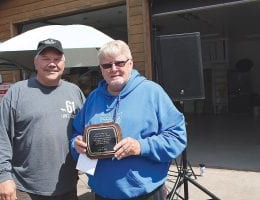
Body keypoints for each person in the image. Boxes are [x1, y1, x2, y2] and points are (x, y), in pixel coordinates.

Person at [70, 40, 187, 200]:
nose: (114, 69)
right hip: (102, 193)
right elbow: (76, 132)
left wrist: (140, 146)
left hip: (145, 193)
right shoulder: (93, 98)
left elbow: (177, 137)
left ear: (130, 64)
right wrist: (76, 145)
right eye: (107, 65)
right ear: (101, 70)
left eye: (119, 63)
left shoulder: (152, 92)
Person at [0, 38, 85, 200]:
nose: (52, 63)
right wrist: (4, 176)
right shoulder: (17, 92)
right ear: (36, 63)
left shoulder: (74, 92)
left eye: (56, 59)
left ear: (64, 63)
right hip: (25, 189)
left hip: (67, 186)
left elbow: (85, 130)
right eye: (45, 59)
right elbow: (1, 136)